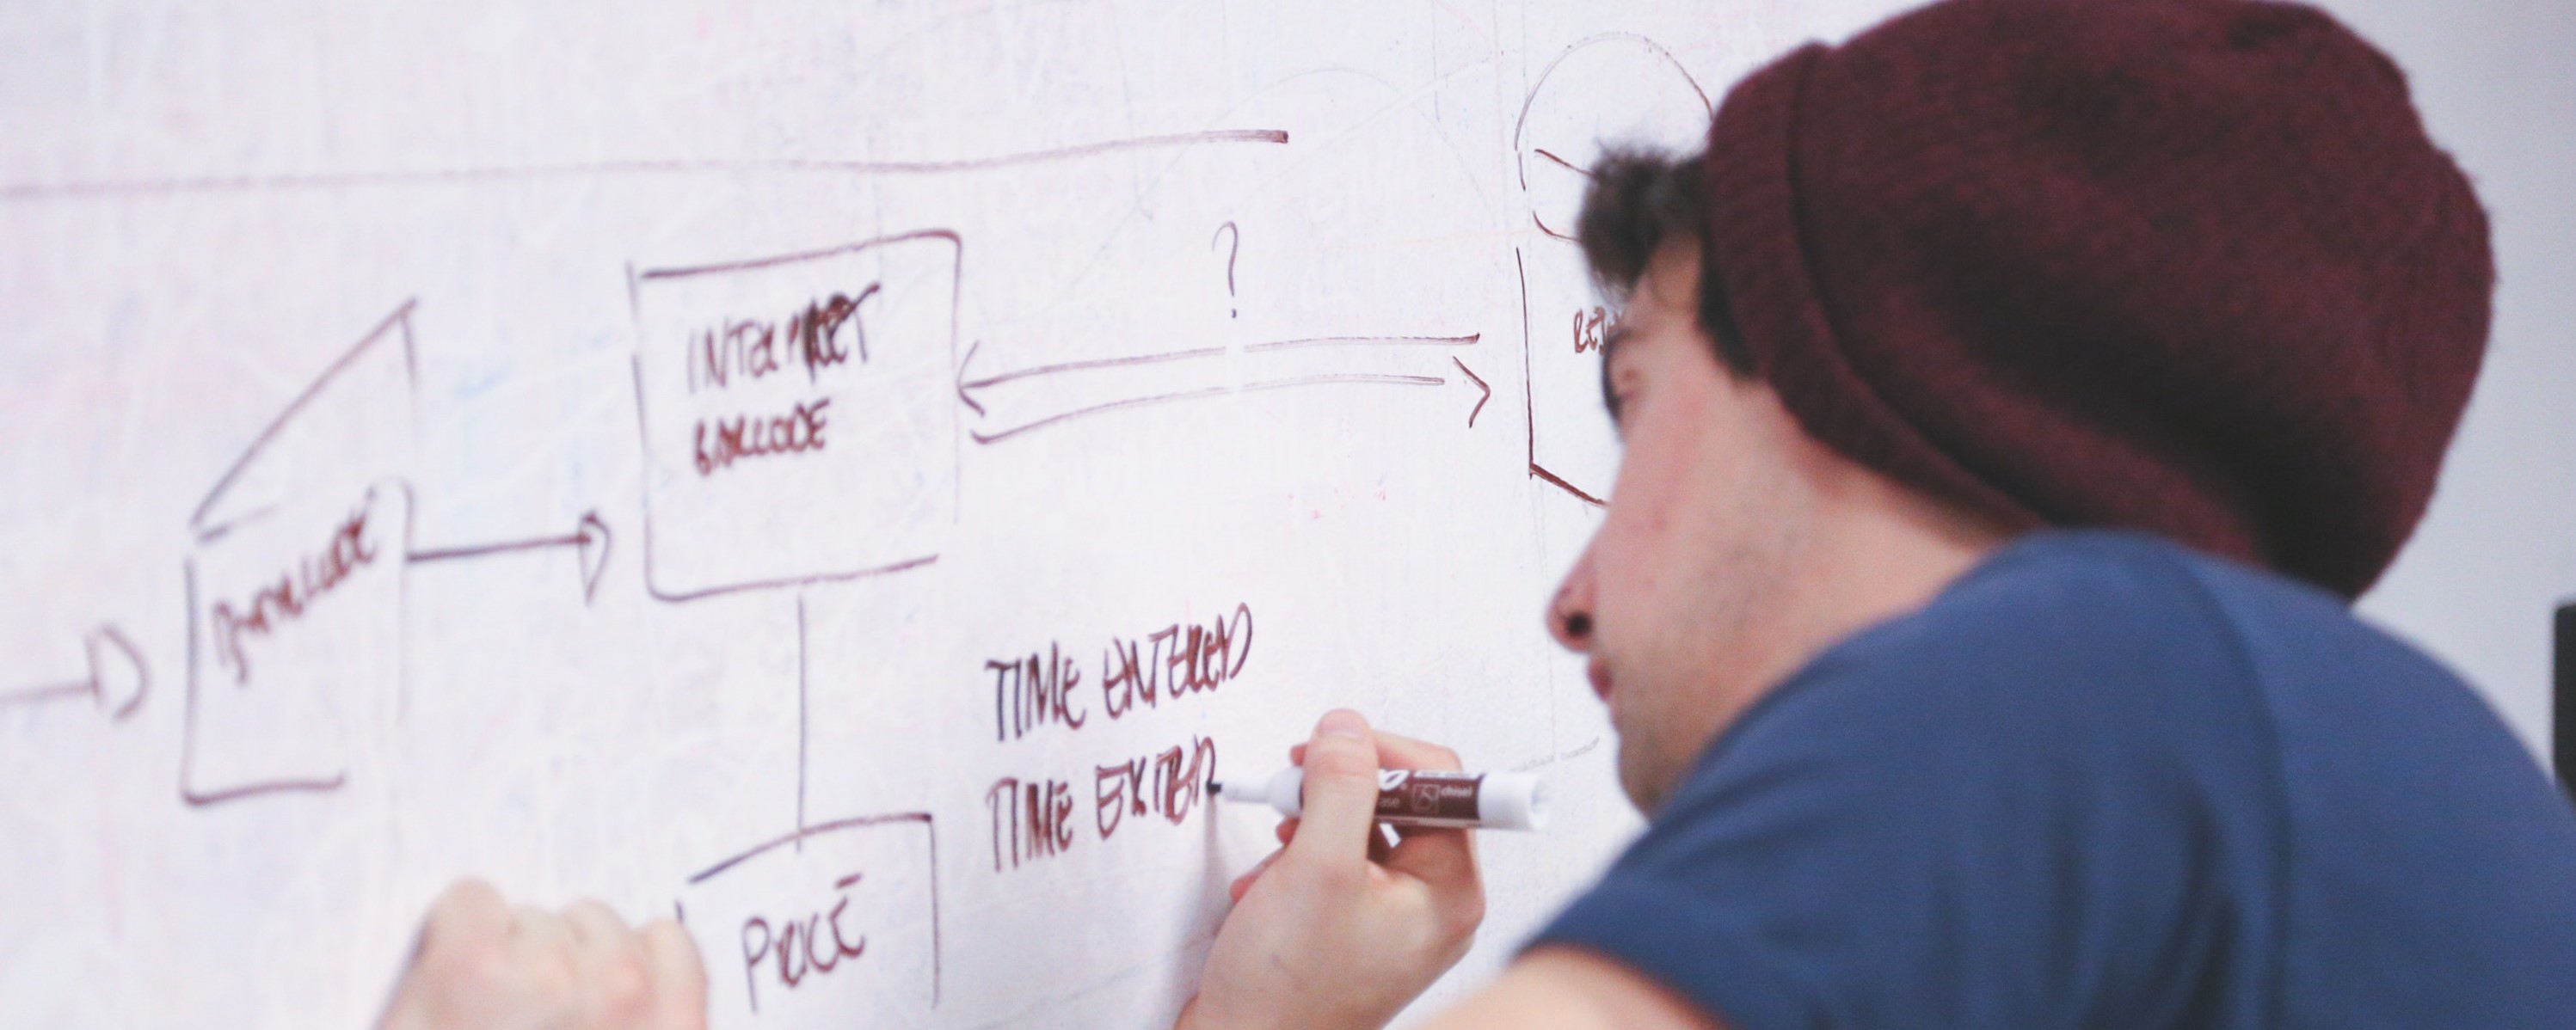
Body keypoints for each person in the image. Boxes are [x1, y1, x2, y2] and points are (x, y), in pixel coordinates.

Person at [380, 0, 2576, 1027]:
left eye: (1630, 403)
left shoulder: (2081, 684)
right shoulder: (2291, 806)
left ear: (1861, 385)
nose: (1565, 584)